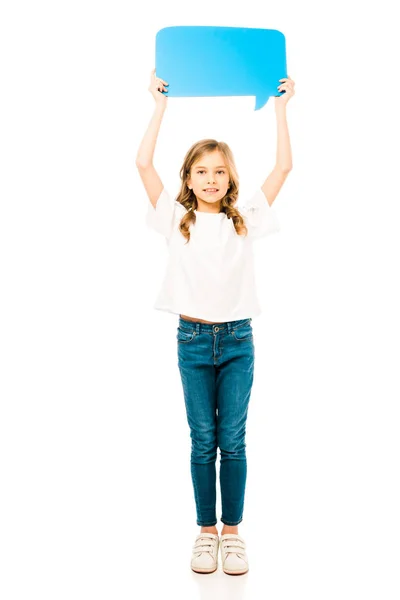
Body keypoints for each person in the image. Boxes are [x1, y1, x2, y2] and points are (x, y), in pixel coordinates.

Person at [136, 68, 295, 575]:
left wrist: (281, 107)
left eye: (219, 171)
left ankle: (233, 533)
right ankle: (206, 533)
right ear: (188, 178)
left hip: (238, 341)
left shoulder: (242, 219)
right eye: (201, 171)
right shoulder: (173, 218)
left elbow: (284, 168)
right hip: (191, 339)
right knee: (203, 439)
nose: (210, 178)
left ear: (230, 179)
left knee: (235, 440)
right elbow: (142, 163)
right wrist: (159, 106)